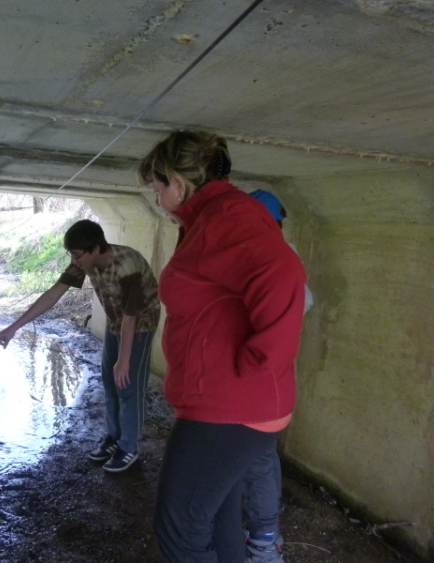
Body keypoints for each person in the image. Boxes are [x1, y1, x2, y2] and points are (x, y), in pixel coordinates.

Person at [138, 131, 306, 562]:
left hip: (229, 405)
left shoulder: (226, 216)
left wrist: (258, 362)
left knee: (180, 528)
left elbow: (283, 272)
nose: (157, 199)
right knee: (216, 517)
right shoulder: (207, 219)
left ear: (178, 182)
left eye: (157, 188)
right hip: (227, 401)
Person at [0, 219, 160, 473]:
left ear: (95, 248)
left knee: (127, 385)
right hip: (116, 321)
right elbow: (54, 293)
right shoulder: (84, 261)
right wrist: (13, 327)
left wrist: (123, 360)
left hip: (140, 324)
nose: (74, 260)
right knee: (109, 381)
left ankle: (129, 447)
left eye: (77, 255)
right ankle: (114, 438)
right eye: (71, 255)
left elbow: (131, 317)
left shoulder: (128, 265)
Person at [240, 189, 314, 563]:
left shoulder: (277, 262)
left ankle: (264, 543)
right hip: (259, 387)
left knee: (258, 463)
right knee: (255, 461)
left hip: (261, 388)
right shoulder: (274, 259)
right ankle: (260, 534)